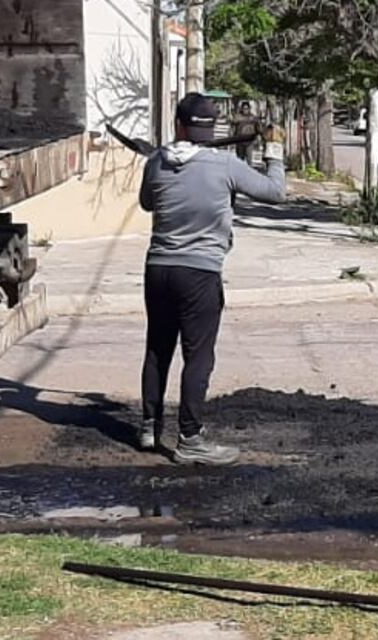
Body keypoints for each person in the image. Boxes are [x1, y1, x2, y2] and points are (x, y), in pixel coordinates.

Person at [138, 93, 286, 465]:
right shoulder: (225, 166)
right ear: (213, 128)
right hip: (199, 272)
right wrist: (276, 152)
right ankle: (189, 439)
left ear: (178, 125)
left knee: (158, 348)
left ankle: (149, 426)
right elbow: (276, 192)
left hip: (158, 269)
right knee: (198, 355)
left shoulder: (157, 162)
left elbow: (146, 203)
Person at [232, 101, 260, 165]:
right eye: (244, 108)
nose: (245, 110)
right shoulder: (237, 117)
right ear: (241, 109)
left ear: (249, 109)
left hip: (249, 141)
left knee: (249, 160)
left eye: (247, 108)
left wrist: (257, 139)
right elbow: (233, 127)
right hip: (240, 141)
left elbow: (258, 129)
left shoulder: (253, 118)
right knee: (239, 160)